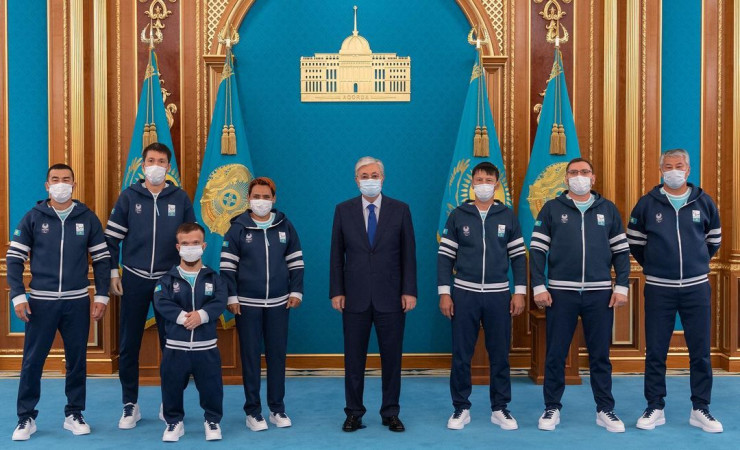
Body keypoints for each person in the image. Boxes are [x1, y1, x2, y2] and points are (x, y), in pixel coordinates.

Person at [8, 164, 111, 440]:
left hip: (77, 302)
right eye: (55, 179)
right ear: (47, 185)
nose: (61, 184)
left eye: (66, 179)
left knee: (76, 361)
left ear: (74, 185)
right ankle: (26, 417)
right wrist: (18, 295)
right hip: (40, 303)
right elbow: (14, 258)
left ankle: (74, 413)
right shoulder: (33, 218)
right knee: (32, 361)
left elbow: (102, 259)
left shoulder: (87, 218)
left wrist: (102, 295)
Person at [530, 157, 630, 433]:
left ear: (593, 178)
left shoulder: (608, 209)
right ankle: (551, 407)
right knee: (555, 353)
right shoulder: (551, 209)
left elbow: (621, 252)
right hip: (560, 293)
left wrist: (622, 286)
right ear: (566, 179)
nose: (579, 176)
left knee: (600, 355)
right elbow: (537, 250)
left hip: (600, 294)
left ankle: (605, 409)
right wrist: (539, 286)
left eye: (584, 172)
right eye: (573, 172)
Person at [628, 149, 723, 433]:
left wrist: (696, 264)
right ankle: (655, 407)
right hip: (659, 289)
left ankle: (701, 408)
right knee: (656, 351)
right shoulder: (647, 204)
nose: (673, 171)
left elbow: (713, 240)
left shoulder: (704, 202)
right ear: (661, 170)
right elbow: (636, 243)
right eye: (668, 166)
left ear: (688, 170)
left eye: (678, 166)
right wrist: (657, 266)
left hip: (696, 288)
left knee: (700, 352)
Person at [105, 142, 196, 428]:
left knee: (173, 345)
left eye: (161, 161)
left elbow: (191, 240)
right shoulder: (128, 197)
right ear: (143, 165)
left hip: (170, 282)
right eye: (151, 161)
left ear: (169, 167)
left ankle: (170, 401)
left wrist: (187, 276)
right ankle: (129, 404)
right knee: (129, 343)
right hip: (134, 278)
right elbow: (111, 240)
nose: (156, 166)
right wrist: (113, 272)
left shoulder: (180, 198)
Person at [329, 156, 417, 433]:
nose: (370, 180)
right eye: (364, 176)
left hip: (391, 296)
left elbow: (409, 254)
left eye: (374, 175)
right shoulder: (343, 210)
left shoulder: (400, 210)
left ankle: (391, 412)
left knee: (392, 358)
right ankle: (354, 413)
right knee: (354, 360)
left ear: (383, 178)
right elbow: (336, 255)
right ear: (356, 180)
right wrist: (337, 291)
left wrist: (409, 290)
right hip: (354, 297)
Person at [437, 162, 526, 431]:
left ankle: (500, 408)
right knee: (461, 355)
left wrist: (519, 292)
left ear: (496, 185)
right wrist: (445, 293)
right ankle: (461, 408)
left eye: (488, 180)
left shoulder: (507, 216)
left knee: (500, 355)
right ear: (472, 184)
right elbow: (445, 258)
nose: (483, 184)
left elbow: (518, 257)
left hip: (499, 296)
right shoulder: (458, 215)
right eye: (479, 180)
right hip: (464, 294)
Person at [220, 177, 304, 431]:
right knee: (250, 358)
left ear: (274, 199)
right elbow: (227, 267)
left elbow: (296, 262)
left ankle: (277, 409)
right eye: (256, 196)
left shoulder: (285, 226)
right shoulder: (237, 228)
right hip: (246, 305)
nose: (261, 201)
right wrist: (232, 297)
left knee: (277, 356)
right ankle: (253, 412)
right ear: (248, 199)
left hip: (279, 303)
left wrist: (296, 291)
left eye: (266, 197)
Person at [153, 222, 227, 442]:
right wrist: (184, 318)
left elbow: (220, 301)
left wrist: (202, 315)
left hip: (206, 347)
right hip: (176, 347)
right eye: (185, 243)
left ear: (204, 246)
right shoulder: (167, 279)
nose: (190, 247)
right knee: (171, 386)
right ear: (178, 247)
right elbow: (161, 302)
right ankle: (174, 421)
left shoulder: (214, 278)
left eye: (195, 243)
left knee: (212, 387)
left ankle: (212, 420)